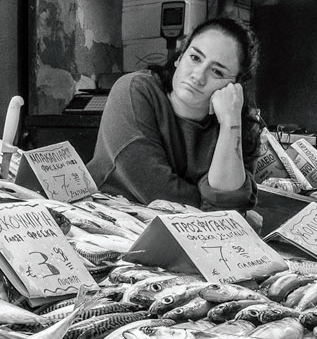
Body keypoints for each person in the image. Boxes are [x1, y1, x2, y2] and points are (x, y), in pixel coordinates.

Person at [88, 17, 264, 213]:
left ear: (235, 86)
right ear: (180, 57)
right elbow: (155, 188)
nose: (198, 76)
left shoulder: (238, 126)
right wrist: (218, 212)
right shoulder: (136, 89)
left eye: (217, 71)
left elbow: (230, 204)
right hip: (106, 220)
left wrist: (230, 123)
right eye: (195, 58)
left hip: (191, 231)